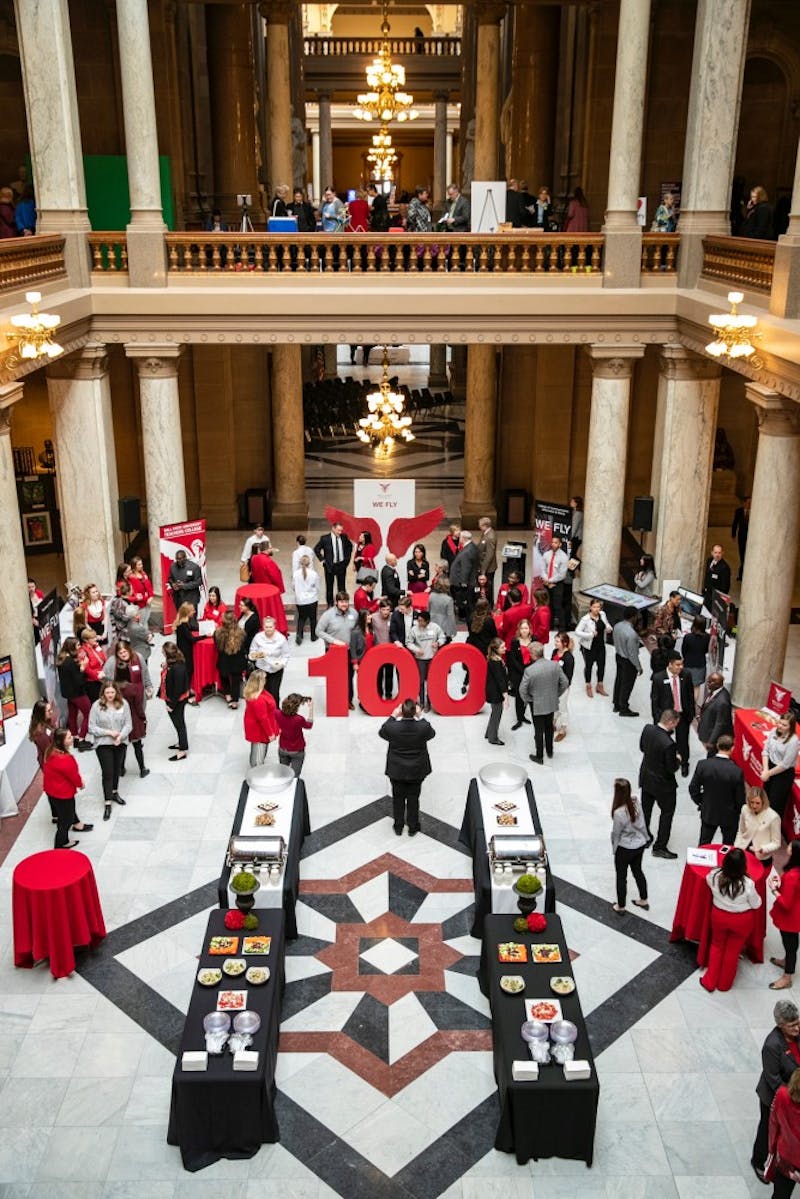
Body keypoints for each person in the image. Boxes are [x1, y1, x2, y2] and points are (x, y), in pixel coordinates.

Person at [700, 846, 762, 992]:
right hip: (742, 920)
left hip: (719, 916)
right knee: (733, 951)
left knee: (716, 946)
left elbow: (708, 881)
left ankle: (709, 981)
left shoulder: (714, 876)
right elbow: (756, 903)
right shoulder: (748, 884)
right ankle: (724, 984)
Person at [752, 1001, 800, 1182]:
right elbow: (773, 1079)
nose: (797, 1028)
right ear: (781, 1026)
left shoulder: (798, 1035)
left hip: (794, 1093)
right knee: (767, 1128)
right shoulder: (772, 1045)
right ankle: (758, 1161)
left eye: (798, 1023)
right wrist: (794, 1096)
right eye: (792, 1025)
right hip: (774, 1096)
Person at [379, 697, 436, 836]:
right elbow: (432, 733)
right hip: (417, 770)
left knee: (397, 798)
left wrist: (393, 715)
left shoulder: (392, 727)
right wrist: (420, 716)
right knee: (413, 798)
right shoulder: (423, 727)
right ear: (415, 711)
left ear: (402, 712)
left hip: (397, 770)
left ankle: (398, 826)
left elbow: (382, 731)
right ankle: (413, 826)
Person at [104, 639, 152, 779]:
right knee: (135, 743)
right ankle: (141, 768)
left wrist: (148, 686)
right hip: (132, 712)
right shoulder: (112, 663)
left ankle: (121, 768)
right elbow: (106, 678)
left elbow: (145, 674)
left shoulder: (139, 657)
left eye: (125, 651)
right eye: (120, 652)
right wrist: (142, 718)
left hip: (127, 707)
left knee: (122, 743)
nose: (123, 654)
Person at [689, 734, 745, 845]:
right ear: (732, 748)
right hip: (729, 815)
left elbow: (693, 788)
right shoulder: (736, 771)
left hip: (709, 811)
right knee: (728, 846)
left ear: (717, 746)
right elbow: (740, 799)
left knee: (704, 843)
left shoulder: (703, 765)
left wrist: (702, 801)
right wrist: (737, 811)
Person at [518, 641, 568, 765]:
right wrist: (556, 694)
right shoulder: (554, 665)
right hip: (551, 702)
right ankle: (550, 751)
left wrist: (529, 699)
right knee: (549, 727)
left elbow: (522, 690)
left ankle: (539, 756)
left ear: (532, 655)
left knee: (538, 730)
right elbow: (565, 683)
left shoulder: (529, 670)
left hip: (537, 704)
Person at [639, 708, 680, 858]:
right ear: (670, 722)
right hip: (663, 785)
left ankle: (643, 837)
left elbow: (642, 748)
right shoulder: (669, 743)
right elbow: (671, 768)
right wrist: (678, 760)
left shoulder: (647, 729)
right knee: (667, 813)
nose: (675, 727)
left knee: (645, 809)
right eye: (675, 724)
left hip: (646, 777)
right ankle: (660, 846)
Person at [88, 680, 133, 820]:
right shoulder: (96, 706)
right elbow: (91, 727)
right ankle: (107, 802)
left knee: (116, 770)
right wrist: (108, 732)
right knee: (107, 772)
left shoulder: (123, 704)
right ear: (103, 693)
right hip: (103, 743)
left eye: (112, 692)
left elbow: (128, 724)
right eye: (107, 692)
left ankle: (114, 792)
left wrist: (121, 735)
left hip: (120, 742)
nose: (110, 695)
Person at [43, 729, 89, 849]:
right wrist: (81, 784)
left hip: (51, 790)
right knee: (65, 821)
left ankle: (77, 824)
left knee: (66, 812)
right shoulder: (66, 759)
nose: (72, 738)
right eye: (69, 737)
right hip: (63, 794)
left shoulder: (50, 751)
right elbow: (74, 776)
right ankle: (60, 844)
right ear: (61, 742)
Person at [651, 652, 695, 775]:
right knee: (665, 742)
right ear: (670, 664)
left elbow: (690, 695)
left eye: (682, 664)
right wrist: (657, 719)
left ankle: (684, 763)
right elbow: (655, 700)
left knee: (683, 741)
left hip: (682, 715)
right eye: (677, 665)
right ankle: (666, 762)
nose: (680, 667)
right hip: (666, 717)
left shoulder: (686, 675)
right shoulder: (658, 678)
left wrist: (690, 713)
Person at [610, 778, 649, 914]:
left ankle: (620, 906)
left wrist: (614, 849)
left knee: (621, 877)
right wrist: (646, 837)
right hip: (639, 845)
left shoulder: (618, 813)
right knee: (638, 871)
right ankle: (643, 899)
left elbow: (616, 834)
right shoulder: (636, 801)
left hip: (625, 848)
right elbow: (643, 822)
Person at [317, 591, 359, 708]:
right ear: (336, 602)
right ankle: (336, 701)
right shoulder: (328, 615)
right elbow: (318, 631)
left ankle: (348, 700)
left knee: (349, 676)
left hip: (349, 650)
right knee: (335, 677)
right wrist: (334, 641)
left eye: (346, 601)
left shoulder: (354, 613)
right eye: (341, 602)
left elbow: (357, 629)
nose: (344, 604)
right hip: (333, 651)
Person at [769, 842, 800, 992]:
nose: (786, 846)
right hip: (796, 914)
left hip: (791, 918)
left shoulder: (793, 876)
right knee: (791, 944)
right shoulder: (795, 871)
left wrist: (774, 890)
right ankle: (786, 961)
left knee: (790, 946)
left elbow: (786, 903)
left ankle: (787, 977)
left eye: (790, 846)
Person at [762, 712, 800, 819]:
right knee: (765, 798)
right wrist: (765, 769)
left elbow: (785, 764)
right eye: (779, 723)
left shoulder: (793, 742)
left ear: (790, 727)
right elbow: (765, 750)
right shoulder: (774, 731)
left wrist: (768, 773)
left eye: (784, 725)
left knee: (775, 805)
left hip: (783, 774)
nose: (780, 726)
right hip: (769, 767)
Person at [56, 636, 91, 749]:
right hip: (77, 693)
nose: (80, 647)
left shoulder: (62, 659)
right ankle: (81, 739)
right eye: (78, 645)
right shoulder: (70, 662)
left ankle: (75, 737)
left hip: (68, 694)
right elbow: (78, 680)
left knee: (72, 715)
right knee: (88, 713)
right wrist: (83, 667)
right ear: (72, 647)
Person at [407, 610, 445, 712]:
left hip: (433, 658)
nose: (419, 623)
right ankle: (422, 702)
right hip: (420, 660)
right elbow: (409, 642)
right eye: (418, 621)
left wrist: (438, 643)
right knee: (420, 681)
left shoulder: (435, 627)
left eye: (421, 621)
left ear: (427, 621)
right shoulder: (414, 630)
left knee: (430, 681)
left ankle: (429, 702)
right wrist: (416, 650)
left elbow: (443, 637)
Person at [247, 615, 289, 704]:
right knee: (262, 692)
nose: (268, 629)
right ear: (263, 627)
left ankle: (275, 712)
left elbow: (286, 655)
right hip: (261, 669)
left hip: (276, 669)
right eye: (266, 627)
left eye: (270, 627)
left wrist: (281, 664)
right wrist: (260, 655)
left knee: (274, 693)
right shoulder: (258, 637)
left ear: (274, 626)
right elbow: (251, 653)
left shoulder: (281, 638)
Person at [736, 786, 781, 867]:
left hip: (761, 856)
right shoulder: (745, 809)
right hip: (744, 851)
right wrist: (737, 846)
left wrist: (763, 849)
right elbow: (741, 831)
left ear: (764, 802)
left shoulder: (773, 817)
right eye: (751, 802)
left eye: (757, 803)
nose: (754, 806)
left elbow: (776, 843)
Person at [574, 597, 611, 698]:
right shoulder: (585, 619)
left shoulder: (602, 614)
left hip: (601, 645)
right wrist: (589, 634)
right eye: (594, 607)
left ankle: (600, 685)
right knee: (589, 666)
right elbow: (577, 631)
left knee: (601, 665)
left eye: (598, 607)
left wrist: (608, 627)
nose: (597, 609)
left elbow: (606, 623)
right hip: (589, 647)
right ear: (590, 607)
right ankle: (588, 685)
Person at [242, 669, 279, 766]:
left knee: (258, 749)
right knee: (258, 756)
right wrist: (270, 733)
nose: (266, 680)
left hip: (256, 725)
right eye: (264, 679)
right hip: (259, 729)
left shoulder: (256, 693)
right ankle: (257, 773)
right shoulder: (259, 699)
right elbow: (263, 719)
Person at [160, 642, 190, 762]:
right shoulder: (174, 663)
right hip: (172, 697)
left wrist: (171, 705)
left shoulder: (177, 668)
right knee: (178, 723)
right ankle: (181, 742)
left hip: (176, 700)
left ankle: (182, 750)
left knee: (179, 723)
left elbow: (178, 689)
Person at [612, 607, 642, 717]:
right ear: (633, 617)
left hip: (618, 655)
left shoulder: (617, 626)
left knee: (619, 680)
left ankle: (616, 704)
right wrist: (638, 667)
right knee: (627, 684)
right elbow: (632, 654)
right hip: (628, 661)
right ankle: (624, 708)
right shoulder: (632, 634)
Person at [314, 521, 352, 607]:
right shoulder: (325, 539)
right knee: (329, 586)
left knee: (342, 586)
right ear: (333, 528)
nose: (340, 532)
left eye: (341, 530)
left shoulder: (344, 537)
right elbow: (317, 549)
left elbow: (350, 546)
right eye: (338, 530)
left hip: (341, 565)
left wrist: (347, 559)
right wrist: (323, 560)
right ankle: (330, 604)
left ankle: (342, 603)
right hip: (329, 566)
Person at [214, 611, 247, 708]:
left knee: (224, 677)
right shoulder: (242, 633)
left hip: (224, 661)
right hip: (238, 661)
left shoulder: (217, 633)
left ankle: (228, 696)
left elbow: (217, 647)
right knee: (236, 680)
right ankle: (235, 701)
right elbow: (244, 647)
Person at [275, 694, 314, 777]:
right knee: (295, 777)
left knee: (283, 774)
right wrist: (311, 709)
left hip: (283, 748)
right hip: (297, 750)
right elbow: (309, 725)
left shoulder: (277, 714)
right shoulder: (299, 719)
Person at [696, 671, 734, 753]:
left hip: (715, 738)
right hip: (708, 728)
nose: (708, 684)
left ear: (717, 684)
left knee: (712, 755)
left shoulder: (723, 702)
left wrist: (711, 741)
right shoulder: (715, 691)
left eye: (710, 682)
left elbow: (720, 723)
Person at [508, 617, 535, 730]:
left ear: (529, 629)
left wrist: (530, 670)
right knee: (519, 697)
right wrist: (524, 671)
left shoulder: (534, 640)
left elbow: (537, 656)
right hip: (519, 673)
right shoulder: (515, 642)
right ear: (519, 629)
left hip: (532, 672)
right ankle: (519, 718)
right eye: (522, 628)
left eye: (526, 628)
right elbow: (513, 660)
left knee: (530, 695)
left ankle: (524, 716)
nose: (524, 630)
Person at [484, 637, 508, 745]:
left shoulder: (493, 659)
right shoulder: (497, 662)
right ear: (496, 649)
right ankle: (493, 738)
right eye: (502, 647)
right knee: (497, 714)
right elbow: (500, 680)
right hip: (496, 692)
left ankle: (489, 732)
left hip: (492, 690)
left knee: (494, 713)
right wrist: (506, 696)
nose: (505, 648)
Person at [450, 531, 479, 619]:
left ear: (463, 538)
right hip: (464, 580)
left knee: (463, 600)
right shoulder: (471, 546)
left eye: (460, 537)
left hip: (463, 581)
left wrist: (463, 581)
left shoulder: (467, 550)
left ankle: (464, 616)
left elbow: (465, 567)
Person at [541, 535, 569, 630]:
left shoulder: (564, 557)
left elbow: (562, 574)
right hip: (546, 583)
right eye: (552, 542)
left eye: (556, 542)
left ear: (560, 544)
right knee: (548, 606)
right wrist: (546, 581)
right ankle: (550, 626)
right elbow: (542, 569)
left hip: (557, 584)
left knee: (558, 606)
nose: (553, 544)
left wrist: (550, 581)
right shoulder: (546, 554)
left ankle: (562, 628)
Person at [681, 616, 710, 704]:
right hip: (700, 665)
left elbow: (684, 650)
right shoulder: (707, 637)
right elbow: (706, 650)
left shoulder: (687, 637)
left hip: (688, 664)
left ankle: (684, 705)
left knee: (686, 686)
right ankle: (692, 706)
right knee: (696, 688)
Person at [174, 602, 200, 700]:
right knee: (188, 670)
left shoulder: (184, 622)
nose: (194, 612)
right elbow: (192, 639)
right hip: (185, 652)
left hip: (183, 650)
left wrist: (202, 627)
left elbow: (192, 628)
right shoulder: (183, 624)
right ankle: (186, 691)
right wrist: (205, 636)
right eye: (192, 610)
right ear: (187, 612)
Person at [551, 632, 574, 741]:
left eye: (557, 641)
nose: (555, 643)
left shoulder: (569, 657)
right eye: (555, 640)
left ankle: (563, 729)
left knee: (562, 708)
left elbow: (568, 678)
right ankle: (553, 723)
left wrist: (560, 688)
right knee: (554, 706)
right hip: (553, 686)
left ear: (564, 643)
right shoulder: (555, 652)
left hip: (563, 688)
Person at [293, 553, 320, 643]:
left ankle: (299, 634)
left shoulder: (296, 574)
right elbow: (317, 587)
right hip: (312, 600)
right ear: (309, 563)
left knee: (301, 618)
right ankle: (313, 636)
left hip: (300, 600)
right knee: (313, 618)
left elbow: (293, 586)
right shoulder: (314, 574)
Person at [371, 598, 395, 700]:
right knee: (378, 674)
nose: (386, 612)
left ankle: (388, 694)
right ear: (379, 609)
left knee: (389, 674)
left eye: (388, 610)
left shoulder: (393, 617)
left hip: (390, 651)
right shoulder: (373, 618)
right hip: (378, 651)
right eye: (383, 609)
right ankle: (379, 694)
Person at [167, 549, 202, 613]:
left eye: (180, 559)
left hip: (191, 599)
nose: (178, 561)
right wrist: (173, 584)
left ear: (185, 558)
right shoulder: (173, 566)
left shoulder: (194, 567)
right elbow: (170, 578)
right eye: (177, 559)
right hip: (178, 599)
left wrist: (184, 585)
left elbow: (199, 582)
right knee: (181, 620)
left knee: (192, 620)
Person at [703, 543, 732, 611]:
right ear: (712, 553)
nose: (717, 555)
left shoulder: (725, 568)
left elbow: (725, 587)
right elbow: (707, 575)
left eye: (719, 553)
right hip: (707, 595)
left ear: (722, 553)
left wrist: (719, 599)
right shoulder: (709, 561)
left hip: (716, 598)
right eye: (715, 552)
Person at [428, 577, 456, 644]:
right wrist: (452, 632)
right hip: (444, 627)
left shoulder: (431, 596)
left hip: (432, 625)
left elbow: (428, 610)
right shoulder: (448, 599)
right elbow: (450, 616)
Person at [128, 556, 154, 627]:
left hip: (148, 602)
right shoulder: (132, 578)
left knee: (146, 620)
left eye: (141, 564)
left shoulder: (143, 574)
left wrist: (151, 596)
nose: (141, 566)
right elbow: (135, 593)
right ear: (134, 566)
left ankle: (146, 635)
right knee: (141, 623)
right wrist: (145, 599)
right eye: (139, 565)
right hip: (140, 604)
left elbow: (149, 586)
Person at [477, 516, 497, 601]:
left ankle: (489, 604)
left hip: (488, 568)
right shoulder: (486, 533)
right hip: (484, 566)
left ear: (485, 525)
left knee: (488, 587)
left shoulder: (490, 537)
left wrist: (483, 571)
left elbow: (489, 555)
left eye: (480, 525)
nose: (479, 527)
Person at [732, 496, 751, 580]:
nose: (749, 504)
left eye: (751, 502)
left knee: (748, 555)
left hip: (751, 538)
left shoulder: (755, 511)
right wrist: (733, 534)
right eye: (748, 502)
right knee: (742, 555)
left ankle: (744, 574)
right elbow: (735, 523)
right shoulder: (739, 511)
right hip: (742, 537)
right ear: (744, 503)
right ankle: (741, 575)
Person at [239, 595, 261, 659]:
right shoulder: (243, 613)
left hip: (248, 645)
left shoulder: (253, 619)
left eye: (241, 605)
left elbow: (246, 634)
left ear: (247, 607)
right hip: (241, 640)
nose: (239, 606)